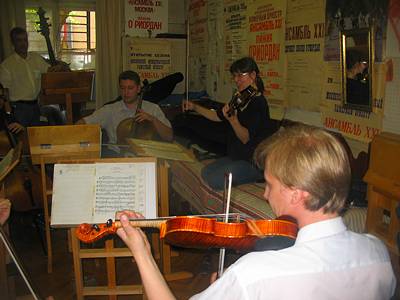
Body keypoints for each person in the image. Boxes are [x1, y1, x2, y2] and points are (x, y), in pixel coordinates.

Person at [116, 124, 396, 300]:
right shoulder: (378, 253)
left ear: (297, 193)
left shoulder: (254, 274)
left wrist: (141, 251)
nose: (265, 193)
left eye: (270, 184)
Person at [182, 57, 274, 190]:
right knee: (205, 172)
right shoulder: (240, 98)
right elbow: (217, 116)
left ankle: (258, 176)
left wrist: (233, 120)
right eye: (234, 76)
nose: (236, 80)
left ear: (253, 75)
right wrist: (194, 107)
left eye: (240, 75)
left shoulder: (258, 102)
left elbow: (245, 138)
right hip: (237, 157)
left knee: (215, 180)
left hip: (252, 162)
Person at [77, 70, 173, 157]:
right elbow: (82, 123)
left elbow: (169, 136)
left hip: (146, 156)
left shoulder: (152, 108)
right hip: (116, 156)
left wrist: (153, 119)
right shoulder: (110, 110)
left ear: (139, 89)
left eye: (130, 88)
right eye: (123, 88)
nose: (126, 92)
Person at [0, 27, 66, 127]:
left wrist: (60, 67)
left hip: (36, 107)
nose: (23, 43)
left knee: (36, 138)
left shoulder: (36, 58)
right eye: (19, 40)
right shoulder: (7, 65)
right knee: (22, 140)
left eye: (25, 40)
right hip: (19, 109)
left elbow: (49, 70)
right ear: (13, 43)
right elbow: (5, 93)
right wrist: (9, 115)